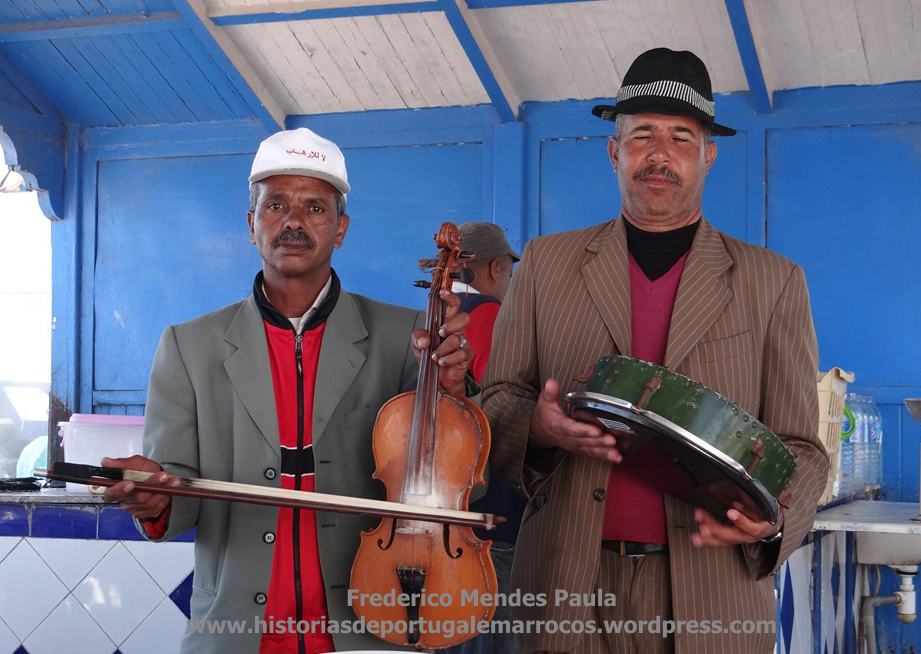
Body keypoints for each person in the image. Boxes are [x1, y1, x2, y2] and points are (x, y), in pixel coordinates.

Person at [481, 48, 829, 654]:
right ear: (614, 151)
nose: (659, 154)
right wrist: (536, 425)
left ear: (708, 155)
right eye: (641, 134)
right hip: (566, 586)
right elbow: (497, 398)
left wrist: (775, 520)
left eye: (680, 137)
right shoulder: (544, 264)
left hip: (711, 594)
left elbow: (802, 449)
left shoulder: (773, 281)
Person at [101, 127, 473, 654]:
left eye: (315, 208)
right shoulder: (189, 346)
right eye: (275, 205)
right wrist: (155, 497)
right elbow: (177, 499)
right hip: (235, 633)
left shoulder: (405, 338)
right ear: (252, 224)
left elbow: (458, 492)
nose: (293, 221)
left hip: (369, 628)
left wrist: (451, 392)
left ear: (340, 228)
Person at [447, 222, 525, 654]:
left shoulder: (432, 316)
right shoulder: (490, 315)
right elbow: (499, 410)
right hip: (490, 515)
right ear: (496, 268)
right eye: (509, 274)